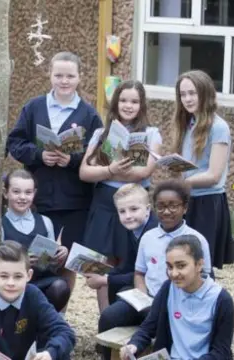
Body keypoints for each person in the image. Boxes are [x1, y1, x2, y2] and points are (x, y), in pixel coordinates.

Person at [6, 51, 103, 298]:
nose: (64, 81)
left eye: (70, 76)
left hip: (74, 202)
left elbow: (98, 156)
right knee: (37, 258)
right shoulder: (34, 107)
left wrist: (71, 160)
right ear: (49, 75)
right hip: (38, 198)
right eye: (58, 75)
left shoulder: (89, 114)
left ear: (80, 77)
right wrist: (39, 155)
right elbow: (15, 142)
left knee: (66, 258)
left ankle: (59, 314)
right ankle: (29, 309)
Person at [79, 80, 162, 311]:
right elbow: (85, 172)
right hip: (104, 204)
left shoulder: (152, 134)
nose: (128, 105)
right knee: (101, 264)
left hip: (134, 203)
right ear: (116, 103)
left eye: (134, 101)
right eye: (124, 100)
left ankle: (131, 318)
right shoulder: (100, 133)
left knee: (130, 262)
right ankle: (106, 323)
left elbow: (144, 172)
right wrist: (109, 171)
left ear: (142, 105)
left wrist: (105, 172)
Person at [120, 235, 234, 360]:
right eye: (170, 267)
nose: (173, 273)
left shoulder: (222, 300)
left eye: (181, 266)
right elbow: (148, 328)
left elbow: (221, 352)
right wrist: (134, 345)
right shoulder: (168, 289)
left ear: (199, 264)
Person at [0, 241, 76, 360]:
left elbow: (65, 332)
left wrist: (50, 353)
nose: (11, 283)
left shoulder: (33, 294)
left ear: (29, 275)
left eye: (18, 276)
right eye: (4, 276)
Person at [172, 70, 233, 269]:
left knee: (201, 266)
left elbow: (214, 175)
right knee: (182, 262)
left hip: (208, 202)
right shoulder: (187, 123)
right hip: (188, 199)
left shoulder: (219, 127)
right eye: (183, 94)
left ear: (205, 93)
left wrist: (183, 182)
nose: (187, 99)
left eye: (192, 93)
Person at [94, 184, 158, 360]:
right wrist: (99, 272)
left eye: (134, 209)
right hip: (138, 291)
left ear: (148, 209)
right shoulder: (128, 229)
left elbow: (149, 273)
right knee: (108, 317)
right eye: (122, 211)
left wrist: (106, 280)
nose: (128, 216)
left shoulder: (156, 232)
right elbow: (127, 268)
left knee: (153, 321)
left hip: (157, 293)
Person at [1, 169, 70, 312]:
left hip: (43, 279)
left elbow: (52, 264)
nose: (22, 197)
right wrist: (22, 261)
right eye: (16, 192)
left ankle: (48, 325)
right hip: (14, 282)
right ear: (5, 193)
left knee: (60, 287)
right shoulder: (0, 225)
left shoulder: (45, 222)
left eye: (28, 192)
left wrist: (60, 255)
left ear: (34, 193)